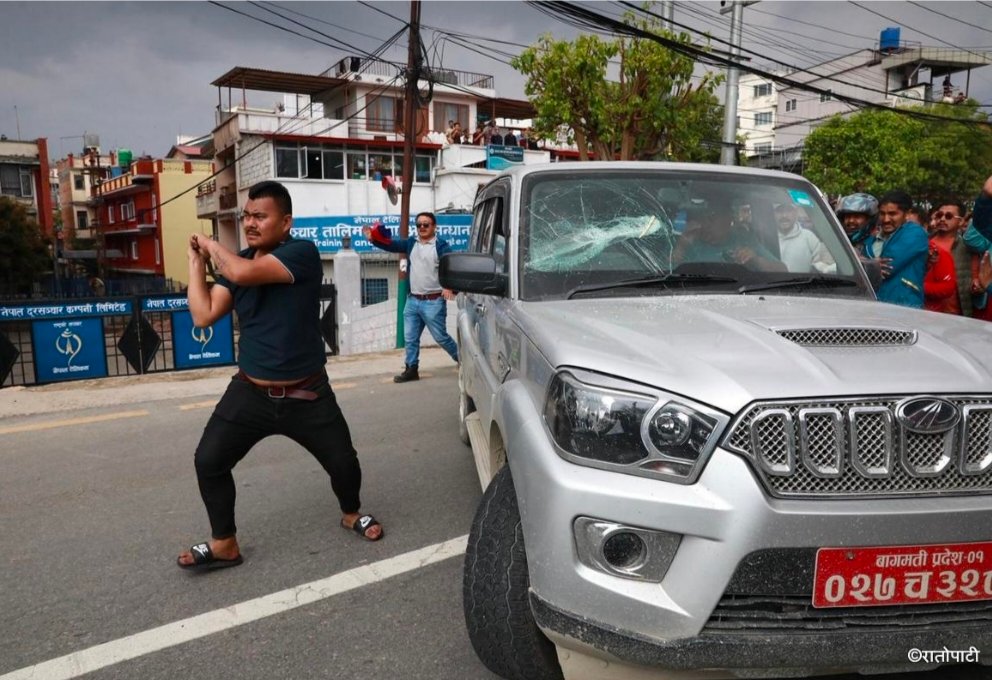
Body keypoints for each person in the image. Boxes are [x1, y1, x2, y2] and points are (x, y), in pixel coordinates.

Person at [177, 181, 382, 572]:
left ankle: (351, 512)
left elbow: (242, 271)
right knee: (209, 460)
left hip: (307, 392)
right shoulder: (237, 263)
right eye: (246, 216)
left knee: (343, 462)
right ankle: (225, 543)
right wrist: (195, 261)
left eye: (260, 216)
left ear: (286, 222)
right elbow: (203, 314)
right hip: (251, 392)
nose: (250, 223)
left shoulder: (300, 254)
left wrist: (210, 244)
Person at [363, 212, 459, 382]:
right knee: (410, 338)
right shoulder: (411, 243)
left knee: (441, 337)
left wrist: (451, 288)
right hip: (413, 300)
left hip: (433, 301)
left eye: (426, 224)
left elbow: (452, 268)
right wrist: (374, 240)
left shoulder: (441, 246)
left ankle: (464, 361)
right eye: (419, 225)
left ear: (434, 227)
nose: (422, 227)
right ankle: (411, 369)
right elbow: (391, 245)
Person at [861, 190, 929, 308]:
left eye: (892, 214)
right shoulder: (870, 241)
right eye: (882, 214)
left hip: (904, 306)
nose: (886, 219)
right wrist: (869, 265)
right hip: (874, 306)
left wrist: (865, 264)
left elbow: (888, 267)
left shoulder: (915, 233)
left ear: (906, 214)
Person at [674, 202, 786, 272]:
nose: (705, 224)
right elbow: (667, 274)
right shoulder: (690, 242)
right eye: (702, 218)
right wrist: (681, 247)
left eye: (711, 218)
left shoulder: (745, 240)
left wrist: (756, 260)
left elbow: (783, 270)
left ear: (729, 219)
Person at [928, 200, 973, 316]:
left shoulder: (967, 247)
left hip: (957, 313)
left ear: (961, 221)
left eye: (949, 216)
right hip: (927, 310)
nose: (942, 219)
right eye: (939, 215)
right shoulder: (924, 243)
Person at [774, 201, 836, 273]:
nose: (784, 216)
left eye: (788, 211)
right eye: (780, 211)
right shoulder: (766, 238)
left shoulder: (809, 237)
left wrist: (827, 269)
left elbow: (821, 265)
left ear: (795, 213)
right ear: (773, 214)